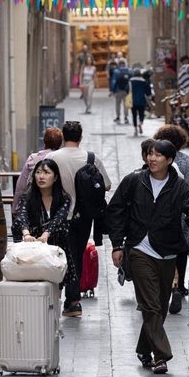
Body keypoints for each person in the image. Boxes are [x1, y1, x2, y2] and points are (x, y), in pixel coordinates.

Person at [107, 140, 189, 374]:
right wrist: (117, 244)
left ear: (169, 160)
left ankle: (143, 348)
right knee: (150, 304)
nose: (152, 158)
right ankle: (160, 356)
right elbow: (116, 209)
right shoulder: (134, 180)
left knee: (160, 307)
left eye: (158, 155)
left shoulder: (179, 186)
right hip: (139, 248)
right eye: (150, 154)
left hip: (168, 251)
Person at [46, 121, 111, 317]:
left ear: (64, 137)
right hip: (83, 216)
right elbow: (106, 185)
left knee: (56, 254)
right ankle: (73, 301)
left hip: (57, 215)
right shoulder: (91, 158)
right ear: (80, 137)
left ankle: (54, 296)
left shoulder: (52, 157)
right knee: (76, 256)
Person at [153, 125, 189, 314]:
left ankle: (166, 285)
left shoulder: (158, 163)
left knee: (163, 251)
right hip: (183, 215)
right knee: (181, 251)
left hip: (163, 216)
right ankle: (179, 285)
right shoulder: (188, 163)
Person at [12, 159, 77, 290]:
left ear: (55, 177)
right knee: (34, 285)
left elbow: (59, 218)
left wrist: (46, 234)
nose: (41, 176)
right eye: (38, 172)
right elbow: (22, 215)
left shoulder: (64, 198)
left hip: (55, 245)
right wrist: (26, 233)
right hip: (32, 248)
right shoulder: (27, 197)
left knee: (56, 286)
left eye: (46, 173)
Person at [12, 128, 64, 218]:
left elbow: (21, 185)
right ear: (60, 143)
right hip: (57, 205)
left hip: (34, 204)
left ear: (44, 141)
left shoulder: (33, 158)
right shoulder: (62, 160)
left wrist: (15, 207)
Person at [129, 68, 151, 137]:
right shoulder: (144, 81)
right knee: (141, 114)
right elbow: (148, 91)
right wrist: (149, 97)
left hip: (133, 101)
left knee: (134, 115)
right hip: (141, 100)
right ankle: (140, 123)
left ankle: (135, 129)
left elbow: (127, 89)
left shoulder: (130, 81)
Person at [112, 60, 131, 124]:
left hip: (118, 90)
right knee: (126, 104)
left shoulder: (116, 71)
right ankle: (126, 117)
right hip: (126, 90)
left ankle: (118, 117)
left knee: (118, 104)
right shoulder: (128, 70)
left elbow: (114, 82)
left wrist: (113, 90)